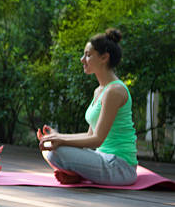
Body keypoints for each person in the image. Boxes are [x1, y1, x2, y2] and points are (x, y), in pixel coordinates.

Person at [37, 28, 137, 185]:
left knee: (56, 152)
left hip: (120, 167)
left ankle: (76, 173)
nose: (82, 59)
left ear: (104, 57)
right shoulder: (99, 90)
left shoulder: (115, 91)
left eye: (88, 55)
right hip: (102, 158)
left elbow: (96, 140)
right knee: (49, 145)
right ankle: (77, 173)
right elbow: (90, 134)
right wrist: (57, 136)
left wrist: (61, 140)